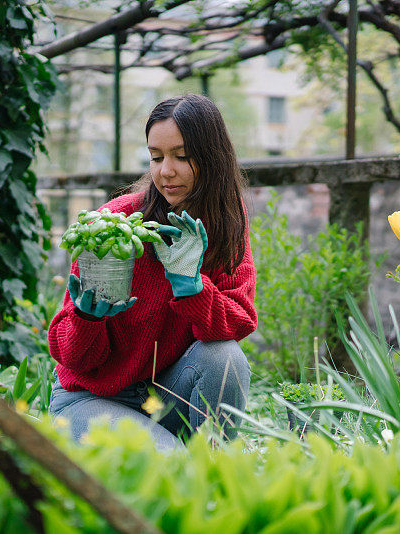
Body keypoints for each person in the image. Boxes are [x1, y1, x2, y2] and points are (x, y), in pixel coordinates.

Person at [48, 94, 257, 451]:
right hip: (92, 399)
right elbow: (70, 355)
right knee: (176, 468)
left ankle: (214, 458)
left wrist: (192, 287)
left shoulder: (225, 221)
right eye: (156, 157)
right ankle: (200, 473)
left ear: (211, 158)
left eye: (182, 156)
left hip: (164, 396)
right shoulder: (114, 225)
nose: (165, 171)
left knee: (224, 357)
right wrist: (87, 319)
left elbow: (238, 323)